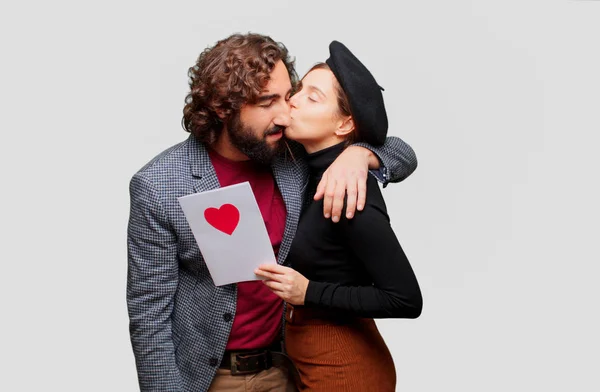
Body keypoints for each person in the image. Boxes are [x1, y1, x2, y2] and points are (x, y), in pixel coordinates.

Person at [127, 33, 418, 392]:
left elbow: (397, 148)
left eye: (288, 95)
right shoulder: (159, 186)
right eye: (269, 102)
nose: (286, 113)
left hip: (289, 367)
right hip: (213, 377)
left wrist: (361, 155)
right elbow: (148, 313)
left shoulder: (289, 153)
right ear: (223, 107)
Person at [255, 41, 423, 391]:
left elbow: (406, 298)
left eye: (312, 98)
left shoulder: (349, 192)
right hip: (305, 358)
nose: (294, 100)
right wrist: (360, 152)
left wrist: (309, 292)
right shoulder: (304, 167)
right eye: (299, 90)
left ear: (345, 124)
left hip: (344, 365)